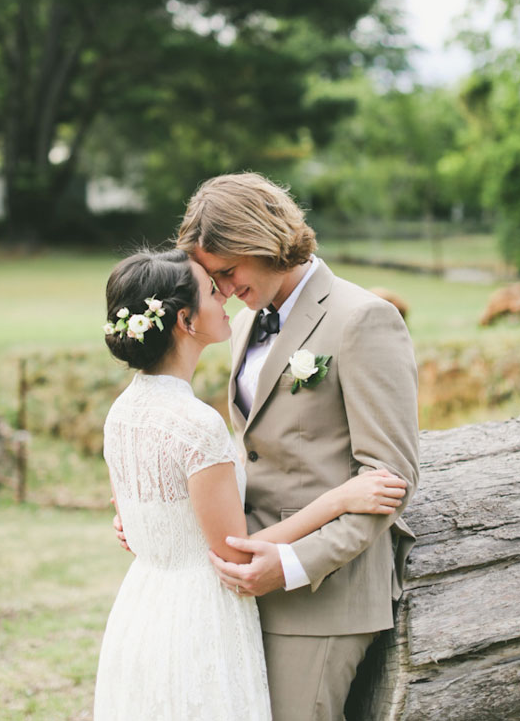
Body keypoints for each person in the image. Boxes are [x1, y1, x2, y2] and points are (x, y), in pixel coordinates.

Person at [95, 248, 408, 721]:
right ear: (185, 320)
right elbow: (232, 550)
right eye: (210, 287)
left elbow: (142, 505)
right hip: (208, 604)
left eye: (222, 275)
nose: (222, 293)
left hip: (149, 611)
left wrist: (150, 523)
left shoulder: (122, 412)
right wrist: (341, 497)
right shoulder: (197, 419)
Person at [175, 173, 421, 721]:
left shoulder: (362, 319)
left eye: (226, 271)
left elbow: (389, 480)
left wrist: (290, 564)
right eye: (212, 277)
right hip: (249, 583)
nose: (220, 288)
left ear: (262, 241)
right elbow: (254, 451)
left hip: (324, 598)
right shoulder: (244, 324)